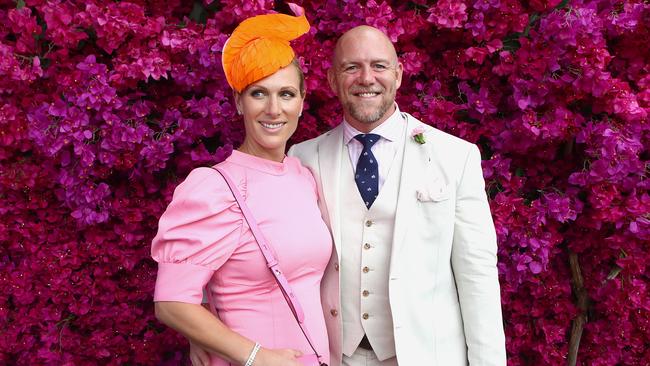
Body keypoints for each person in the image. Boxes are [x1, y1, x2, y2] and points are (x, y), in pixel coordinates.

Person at [287, 25, 507, 365]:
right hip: (335, 356)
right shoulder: (303, 157)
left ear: (398, 74)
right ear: (331, 80)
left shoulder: (454, 156)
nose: (366, 78)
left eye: (378, 65)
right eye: (351, 67)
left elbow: (477, 274)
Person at [151, 6, 331, 366]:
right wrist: (255, 356)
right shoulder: (214, 187)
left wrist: (203, 320)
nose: (274, 109)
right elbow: (171, 301)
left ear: (301, 101)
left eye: (286, 94)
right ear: (238, 102)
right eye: (258, 94)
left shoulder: (302, 176)